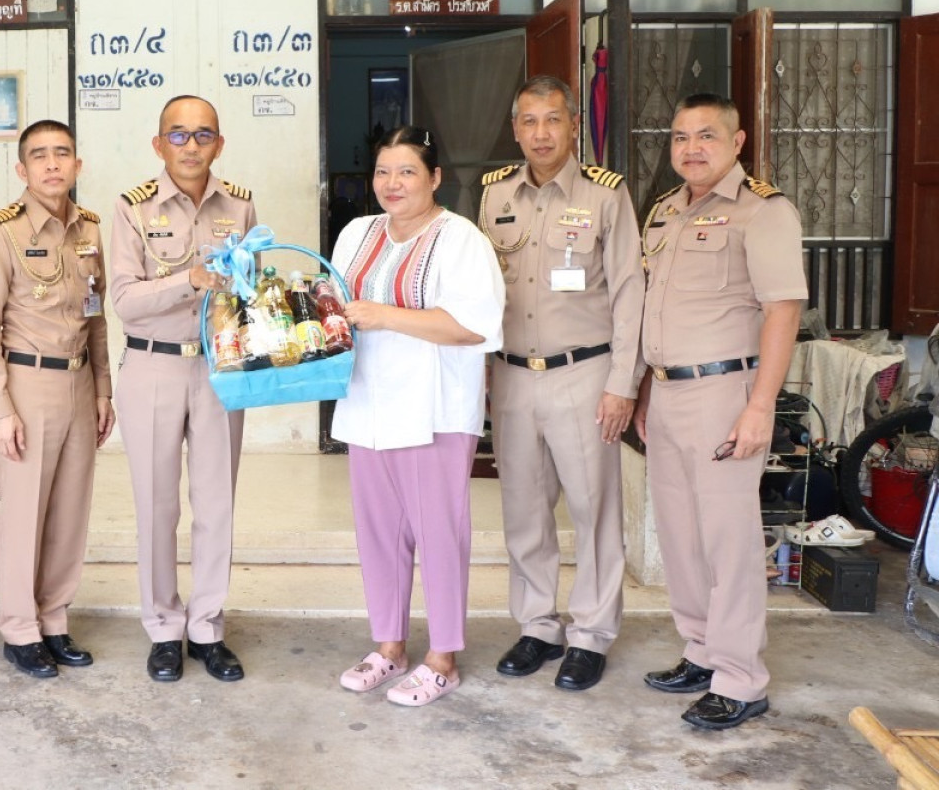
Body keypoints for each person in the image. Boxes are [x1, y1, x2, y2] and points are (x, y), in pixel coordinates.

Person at [634, 92, 805, 731]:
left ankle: (740, 677)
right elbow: (653, 308)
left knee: (728, 540)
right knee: (680, 534)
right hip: (667, 393)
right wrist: (645, 391)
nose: (691, 148)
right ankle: (701, 650)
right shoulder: (664, 211)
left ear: (736, 143)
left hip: (724, 394)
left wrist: (760, 407)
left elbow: (782, 311)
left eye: (706, 135)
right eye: (680, 137)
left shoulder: (763, 210)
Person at [479, 76, 644, 692]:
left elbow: (629, 292)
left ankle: (591, 634)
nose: (541, 133)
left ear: (574, 125)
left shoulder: (606, 195)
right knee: (523, 510)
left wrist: (623, 382)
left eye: (553, 120)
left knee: (593, 510)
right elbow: (480, 293)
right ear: (515, 129)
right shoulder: (495, 193)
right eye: (529, 121)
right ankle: (538, 626)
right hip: (513, 377)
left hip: (585, 374)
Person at [330, 126, 504, 707]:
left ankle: (442, 659)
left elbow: (475, 326)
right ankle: (389, 647)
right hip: (367, 404)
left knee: (439, 533)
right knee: (378, 532)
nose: (393, 183)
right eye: (383, 171)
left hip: (435, 409)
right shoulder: (357, 233)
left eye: (407, 171)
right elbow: (336, 306)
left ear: (435, 178)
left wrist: (386, 315)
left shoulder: (460, 239)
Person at [109, 94, 257, 683]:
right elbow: (124, 300)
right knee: (157, 505)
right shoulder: (132, 208)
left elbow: (251, 289)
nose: (190, 146)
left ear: (219, 144)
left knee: (217, 503)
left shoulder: (240, 205)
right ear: (158, 144)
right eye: (178, 135)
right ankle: (164, 627)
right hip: (153, 367)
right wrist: (189, 279)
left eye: (202, 135)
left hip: (219, 369)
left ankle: (207, 627)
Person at [0, 120, 114, 678]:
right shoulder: (0, 232)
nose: (52, 164)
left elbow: (96, 316)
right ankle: (19, 628)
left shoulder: (89, 229)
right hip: (26, 384)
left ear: (78, 164)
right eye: (40, 155)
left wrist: (103, 389)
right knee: (24, 513)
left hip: (79, 383)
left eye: (62, 153)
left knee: (69, 512)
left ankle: (53, 619)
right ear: (21, 169)